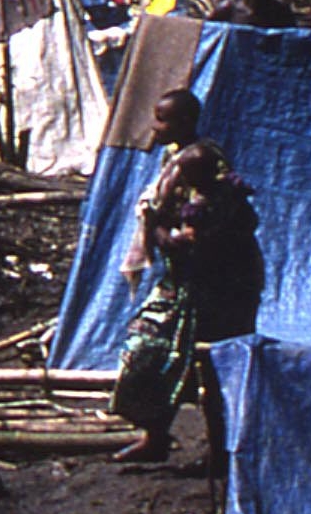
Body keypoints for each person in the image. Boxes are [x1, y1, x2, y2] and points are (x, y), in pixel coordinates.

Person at [110, 96, 264, 467]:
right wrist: (159, 229)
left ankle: (220, 450)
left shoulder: (205, 167)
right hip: (184, 282)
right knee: (148, 349)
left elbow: (197, 237)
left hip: (219, 287)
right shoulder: (177, 159)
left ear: (184, 122)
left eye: (162, 120)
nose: (155, 127)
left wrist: (160, 231)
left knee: (208, 363)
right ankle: (155, 436)